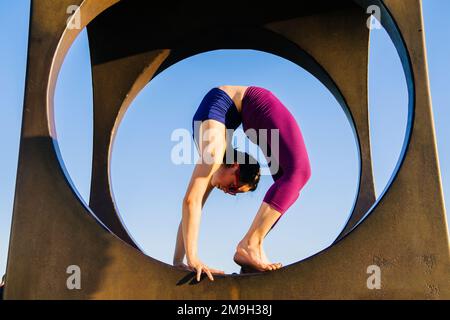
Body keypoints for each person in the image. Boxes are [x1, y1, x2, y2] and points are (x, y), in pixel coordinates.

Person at [173, 85, 311, 281]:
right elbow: (190, 204)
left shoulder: (215, 161)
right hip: (252, 101)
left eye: (233, 191)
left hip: (237, 111)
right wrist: (188, 260)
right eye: (233, 187)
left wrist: (181, 260)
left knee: (287, 182)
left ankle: (255, 245)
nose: (228, 192)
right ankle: (251, 244)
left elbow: (191, 205)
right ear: (235, 166)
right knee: (300, 172)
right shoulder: (214, 153)